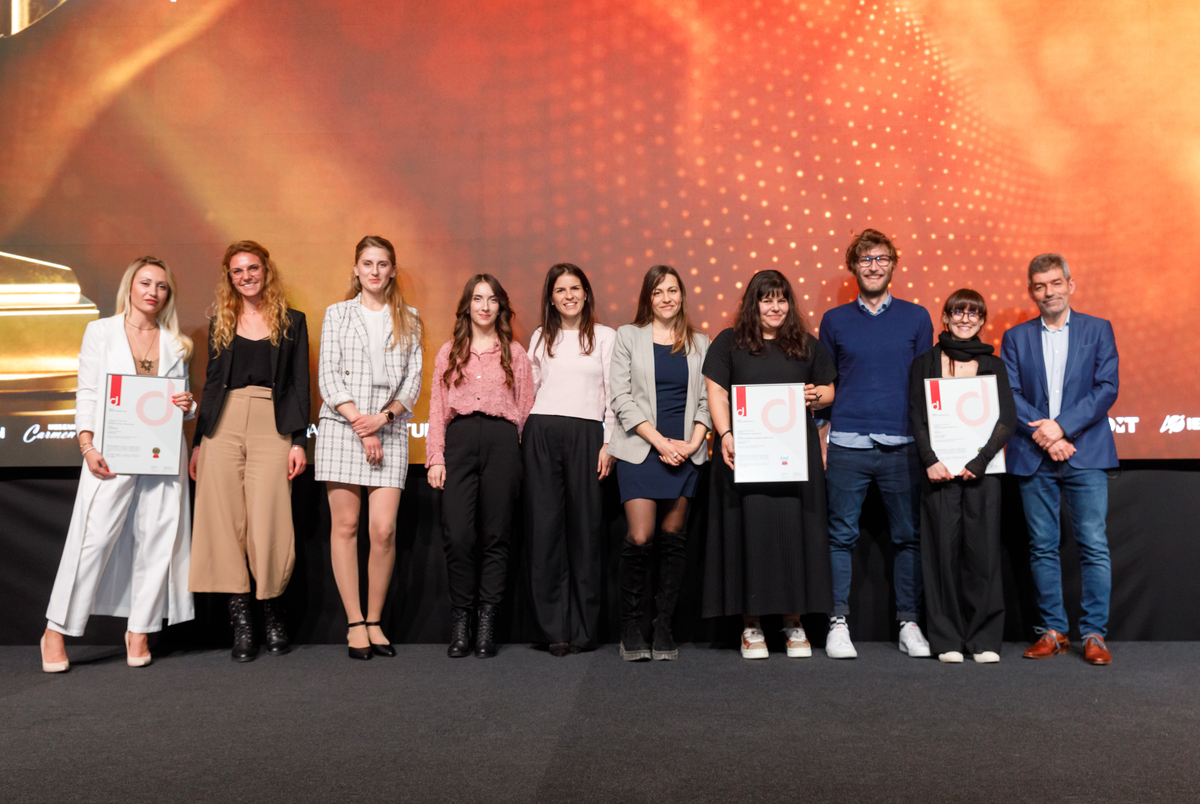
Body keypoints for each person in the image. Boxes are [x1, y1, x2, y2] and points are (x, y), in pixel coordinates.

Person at [40, 257, 196, 672]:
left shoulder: (176, 342)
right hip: (111, 450)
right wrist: (87, 444)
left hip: (163, 453)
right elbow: (88, 391)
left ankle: (140, 630)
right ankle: (55, 631)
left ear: (168, 294)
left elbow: (180, 402)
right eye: (145, 283)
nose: (153, 292)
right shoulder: (101, 331)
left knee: (158, 538)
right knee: (93, 540)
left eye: (161, 286)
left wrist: (188, 405)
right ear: (130, 286)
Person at [702, 269, 836, 660]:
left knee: (795, 536)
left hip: (795, 460)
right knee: (751, 535)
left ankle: (794, 623)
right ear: (753, 304)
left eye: (781, 299)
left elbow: (829, 389)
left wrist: (815, 395)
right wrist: (725, 434)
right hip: (747, 456)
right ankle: (751, 625)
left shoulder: (805, 344)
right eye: (766, 300)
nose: (775, 307)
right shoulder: (730, 342)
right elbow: (716, 392)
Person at [188, 240, 310, 663]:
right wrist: (199, 442)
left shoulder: (292, 321)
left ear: (266, 270)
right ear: (229, 277)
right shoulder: (221, 321)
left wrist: (299, 441)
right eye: (237, 271)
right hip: (222, 426)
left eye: (252, 268)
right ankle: (241, 625)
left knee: (269, 521)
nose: (246, 277)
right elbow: (211, 384)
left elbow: (298, 384)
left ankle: (273, 616)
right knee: (223, 524)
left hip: (271, 425)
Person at [818, 228, 933, 659]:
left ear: (893, 265)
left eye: (881, 258)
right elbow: (827, 383)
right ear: (853, 267)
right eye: (865, 259)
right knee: (840, 537)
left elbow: (925, 385)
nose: (874, 266)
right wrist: (822, 434)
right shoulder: (834, 320)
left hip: (903, 443)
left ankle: (909, 623)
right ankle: (837, 623)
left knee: (908, 537)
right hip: (847, 442)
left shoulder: (917, 318)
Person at [1000, 254, 1119, 666]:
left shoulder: (1098, 329)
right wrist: (1047, 436)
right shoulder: (1015, 337)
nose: (1048, 292)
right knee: (1042, 547)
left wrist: (1062, 428)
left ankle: (1094, 634)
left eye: (1055, 283)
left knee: (1094, 545)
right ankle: (1053, 631)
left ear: (1070, 284)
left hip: (1086, 453)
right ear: (1031, 291)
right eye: (1040, 285)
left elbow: (1106, 389)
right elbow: (1010, 394)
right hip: (1034, 454)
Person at [316, 236, 423, 661]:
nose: (375, 271)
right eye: (367, 263)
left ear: (392, 270)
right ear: (356, 268)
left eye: (382, 264)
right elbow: (328, 377)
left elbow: (413, 381)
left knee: (383, 531)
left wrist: (383, 419)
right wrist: (362, 425)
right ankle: (355, 622)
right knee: (345, 526)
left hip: (389, 429)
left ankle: (375, 620)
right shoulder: (337, 313)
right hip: (344, 427)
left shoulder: (410, 318)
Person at [426, 274, 534, 659]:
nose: (484, 306)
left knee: (496, 535)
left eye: (491, 299)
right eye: (477, 298)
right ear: (467, 306)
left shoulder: (515, 354)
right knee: (458, 535)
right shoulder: (449, 352)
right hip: (459, 441)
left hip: (502, 444)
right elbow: (437, 408)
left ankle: (487, 622)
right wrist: (436, 457)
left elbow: (526, 410)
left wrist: (520, 459)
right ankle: (462, 621)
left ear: (500, 306)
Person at [608, 265, 711, 662]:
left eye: (672, 290)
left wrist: (693, 443)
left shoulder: (700, 342)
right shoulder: (628, 336)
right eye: (657, 292)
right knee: (640, 537)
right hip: (641, 449)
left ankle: (663, 626)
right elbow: (621, 397)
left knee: (673, 538)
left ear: (682, 295)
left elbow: (707, 400)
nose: (666, 298)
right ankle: (631, 626)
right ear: (647, 299)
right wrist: (659, 442)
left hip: (685, 452)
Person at [909, 289, 1016, 663]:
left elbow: (1007, 418)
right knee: (941, 555)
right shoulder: (925, 362)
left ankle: (984, 638)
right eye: (958, 312)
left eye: (974, 313)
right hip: (938, 472)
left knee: (983, 555)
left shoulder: (994, 365)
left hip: (982, 473)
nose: (965, 319)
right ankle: (947, 640)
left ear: (982, 321)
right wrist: (930, 459)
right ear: (945, 317)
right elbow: (916, 416)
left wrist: (981, 460)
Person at [524, 264, 616, 656]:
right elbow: (529, 391)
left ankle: (582, 630)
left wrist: (609, 443)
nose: (569, 296)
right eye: (560, 290)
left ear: (586, 293)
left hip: (587, 436)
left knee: (586, 532)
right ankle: (553, 630)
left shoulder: (606, 337)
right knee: (545, 532)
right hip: (542, 433)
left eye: (575, 288)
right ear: (551, 298)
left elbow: (614, 394)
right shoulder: (540, 337)